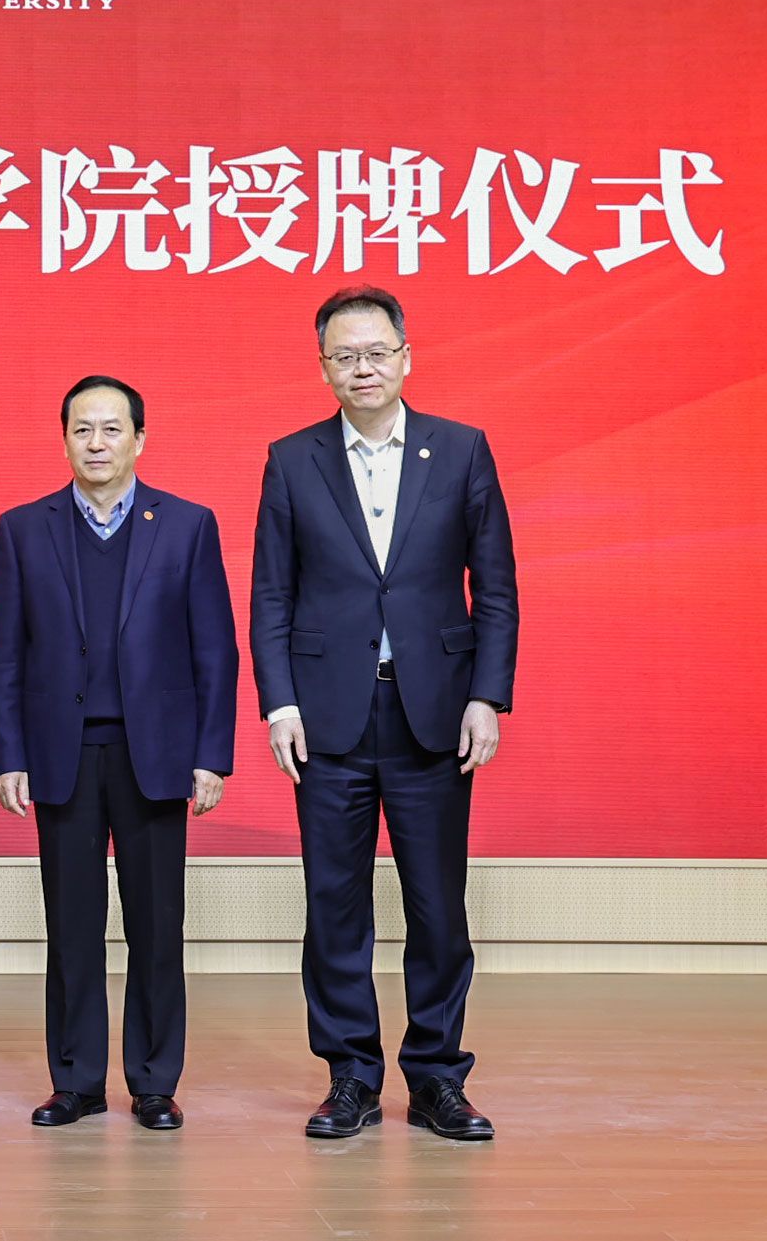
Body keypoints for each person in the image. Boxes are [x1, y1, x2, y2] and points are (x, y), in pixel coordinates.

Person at [249, 286, 519, 1142]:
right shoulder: (292, 459)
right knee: (334, 903)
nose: (362, 367)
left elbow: (496, 588)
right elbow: (271, 594)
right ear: (323, 367)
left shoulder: (462, 449)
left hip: (432, 712)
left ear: (406, 356)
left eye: (376, 352)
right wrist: (280, 702)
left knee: (437, 904)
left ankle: (437, 1075)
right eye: (344, 355)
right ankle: (351, 1076)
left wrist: (487, 695)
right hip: (328, 716)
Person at [0, 375, 239, 1132]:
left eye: (112, 429)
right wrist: (7, 755)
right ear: (64, 439)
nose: (97, 443)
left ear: (140, 439)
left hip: (154, 753)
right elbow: (5, 655)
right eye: (82, 430)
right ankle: (76, 1080)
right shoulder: (23, 528)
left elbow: (215, 649)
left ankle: (154, 1082)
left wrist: (211, 755)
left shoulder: (187, 525)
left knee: (157, 926)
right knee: (71, 926)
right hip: (61, 753)